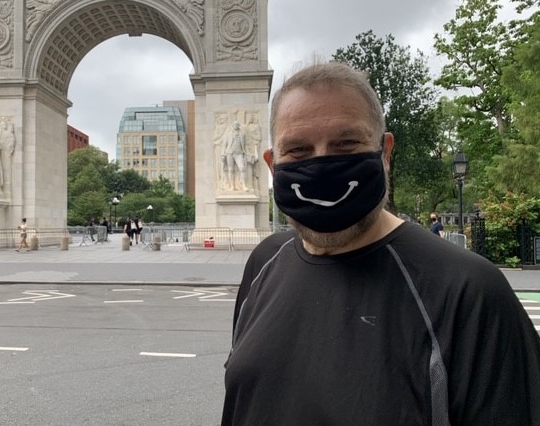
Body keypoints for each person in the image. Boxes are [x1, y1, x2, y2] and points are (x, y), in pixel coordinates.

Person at [222, 61, 540, 425]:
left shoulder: (468, 291)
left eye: (346, 143)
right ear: (273, 164)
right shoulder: (263, 262)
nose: (323, 165)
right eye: (298, 150)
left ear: (385, 152)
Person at [220, 121, 248, 191]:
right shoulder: (228, 134)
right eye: (234, 124)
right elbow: (224, 145)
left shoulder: (242, 134)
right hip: (229, 153)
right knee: (230, 169)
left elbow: (244, 145)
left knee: (242, 168)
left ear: (239, 126)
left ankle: (244, 185)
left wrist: (246, 152)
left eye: (237, 124)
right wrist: (222, 154)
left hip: (239, 153)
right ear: (233, 126)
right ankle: (232, 186)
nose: (236, 126)